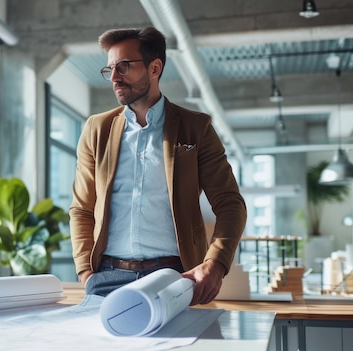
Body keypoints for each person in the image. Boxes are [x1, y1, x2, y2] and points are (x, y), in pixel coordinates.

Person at [69, 27, 247, 305]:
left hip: (174, 277)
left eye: (124, 67)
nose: (114, 77)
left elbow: (230, 204)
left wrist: (216, 263)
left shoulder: (195, 128)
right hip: (105, 279)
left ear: (154, 68)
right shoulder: (96, 129)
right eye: (110, 69)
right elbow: (82, 209)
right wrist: (85, 272)